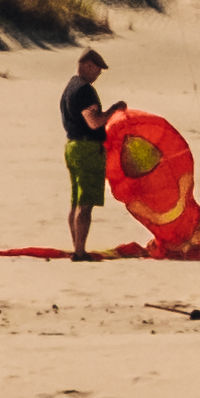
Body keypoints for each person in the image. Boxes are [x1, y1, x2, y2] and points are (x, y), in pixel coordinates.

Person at [59, 45, 115, 257]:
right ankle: (80, 251)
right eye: (96, 69)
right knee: (85, 203)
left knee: (76, 200)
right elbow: (94, 121)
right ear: (86, 66)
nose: (98, 74)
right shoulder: (84, 90)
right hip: (86, 148)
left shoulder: (70, 86)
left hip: (72, 146)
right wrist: (114, 110)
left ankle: (77, 248)